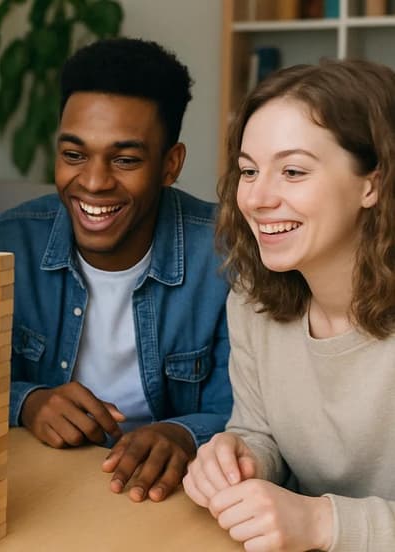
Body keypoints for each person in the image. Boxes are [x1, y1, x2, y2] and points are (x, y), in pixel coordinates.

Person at [0, 38, 231, 503]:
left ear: (170, 165)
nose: (93, 182)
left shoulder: (226, 255)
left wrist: (181, 435)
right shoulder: (6, 243)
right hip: (44, 482)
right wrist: (28, 402)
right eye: (74, 155)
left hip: (166, 494)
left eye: (126, 159)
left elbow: (248, 409)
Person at [183, 59, 395, 551]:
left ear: (373, 184)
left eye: (293, 171)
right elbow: (260, 431)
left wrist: (322, 522)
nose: (256, 198)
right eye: (249, 171)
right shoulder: (252, 306)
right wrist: (242, 457)